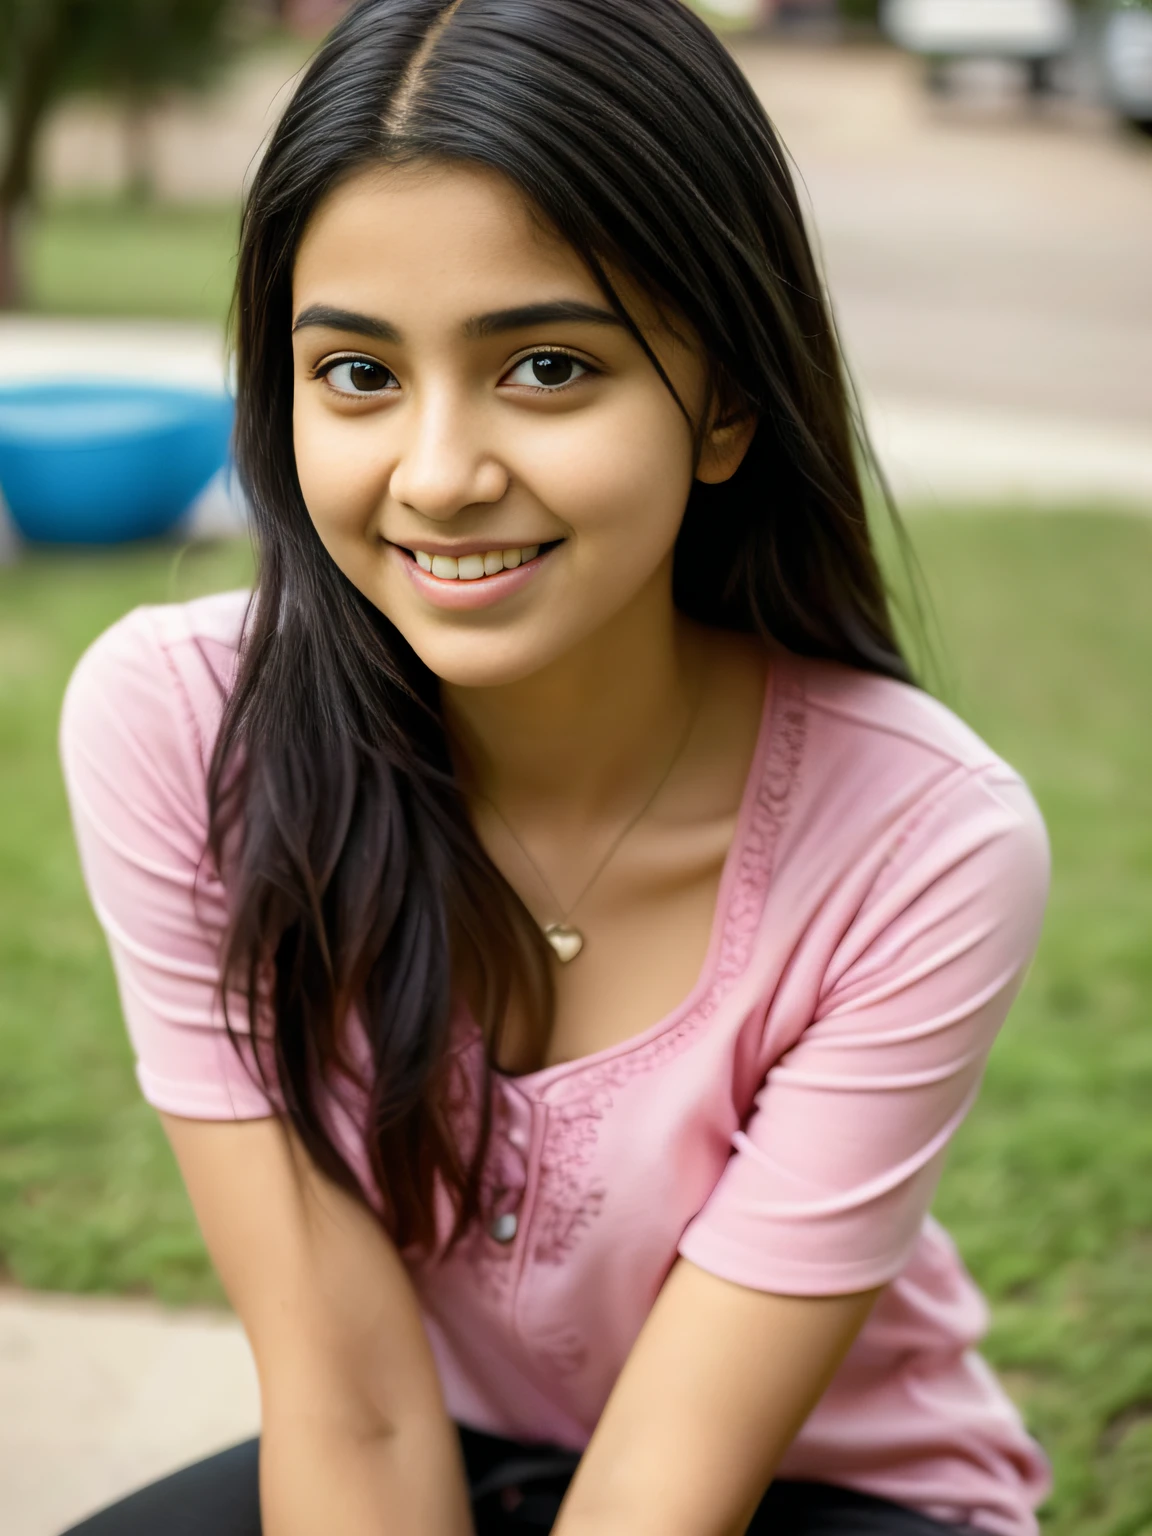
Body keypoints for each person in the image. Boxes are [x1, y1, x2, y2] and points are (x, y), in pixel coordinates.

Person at [58, 1, 1053, 1532]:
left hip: (819, 1488)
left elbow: (666, 1493)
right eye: (360, 377)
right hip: (436, 1437)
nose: (442, 476)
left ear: (722, 400)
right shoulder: (187, 731)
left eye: (543, 367)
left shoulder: (923, 843)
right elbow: (351, 1399)